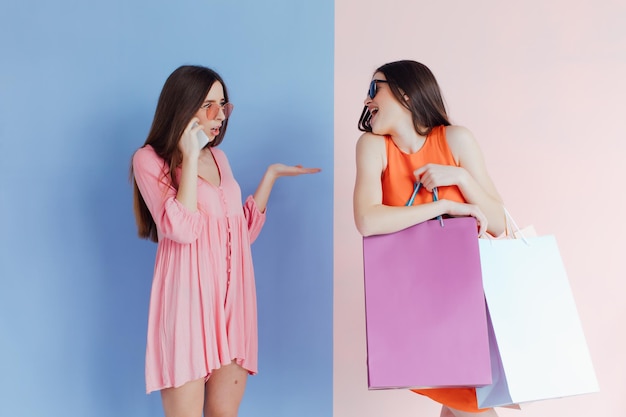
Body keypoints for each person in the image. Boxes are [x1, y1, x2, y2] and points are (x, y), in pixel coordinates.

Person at [131, 65, 320, 417]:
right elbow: (181, 230)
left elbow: (238, 235)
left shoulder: (219, 157)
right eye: (208, 105)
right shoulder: (149, 160)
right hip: (188, 306)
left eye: (223, 104)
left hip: (234, 304)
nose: (220, 115)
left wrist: (271, 176)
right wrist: (188, 157)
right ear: (183, 107)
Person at [353, 60, 506, 417]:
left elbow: (499, 222)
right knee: (462, 403)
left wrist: (461, 179)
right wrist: (450, 205)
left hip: (466, 297)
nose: (366, 98)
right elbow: (367, 219)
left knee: (463, 403)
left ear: (406, 93)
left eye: (376, 88)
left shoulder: (456, 139)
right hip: (415, 301)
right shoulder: (373, 146)